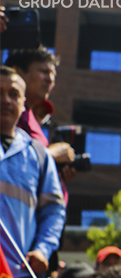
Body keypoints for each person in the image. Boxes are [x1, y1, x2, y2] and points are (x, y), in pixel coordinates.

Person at [0, 66, 65, 278]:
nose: (6, 100)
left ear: (23, 102)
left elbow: (54, 211)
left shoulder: (38, 154)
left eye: (13, 94)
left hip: (22, 274)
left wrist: (43, 250)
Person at [4, 47, 76, 187]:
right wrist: (50, 155)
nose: (50, 79)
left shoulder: (30, 116)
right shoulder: (6, 113)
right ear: (17, 72)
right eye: (44, 72)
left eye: (53, 74)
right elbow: (8, 164)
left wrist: (56, 174)